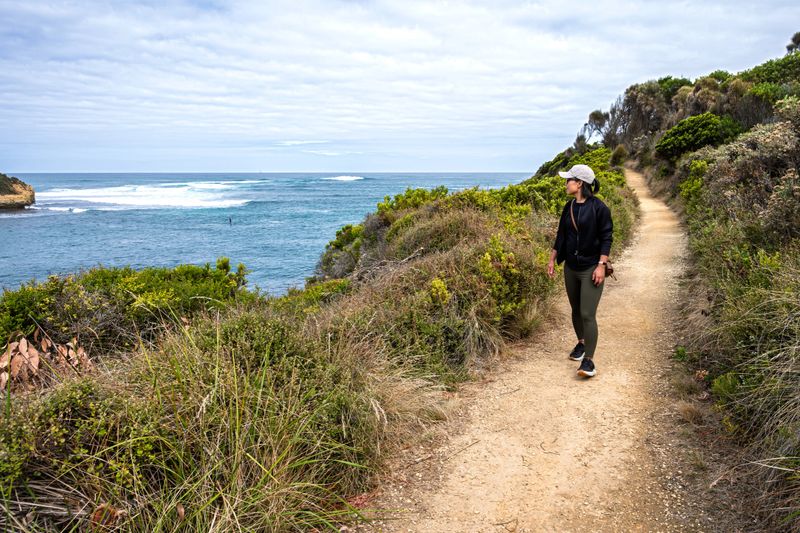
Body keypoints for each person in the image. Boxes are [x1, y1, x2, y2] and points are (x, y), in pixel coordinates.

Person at [546, 164, 613, 378]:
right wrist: (552, 258)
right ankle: (581, 344)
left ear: (580, 183)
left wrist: (601, 265)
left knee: (587, 314)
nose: (566, 183)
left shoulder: (599, 208)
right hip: (571, 267)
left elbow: (606, 238)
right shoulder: (569, 207)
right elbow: (561, 235)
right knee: (575, 309)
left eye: (569, 180)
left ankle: (589, 362)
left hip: (592, 268)